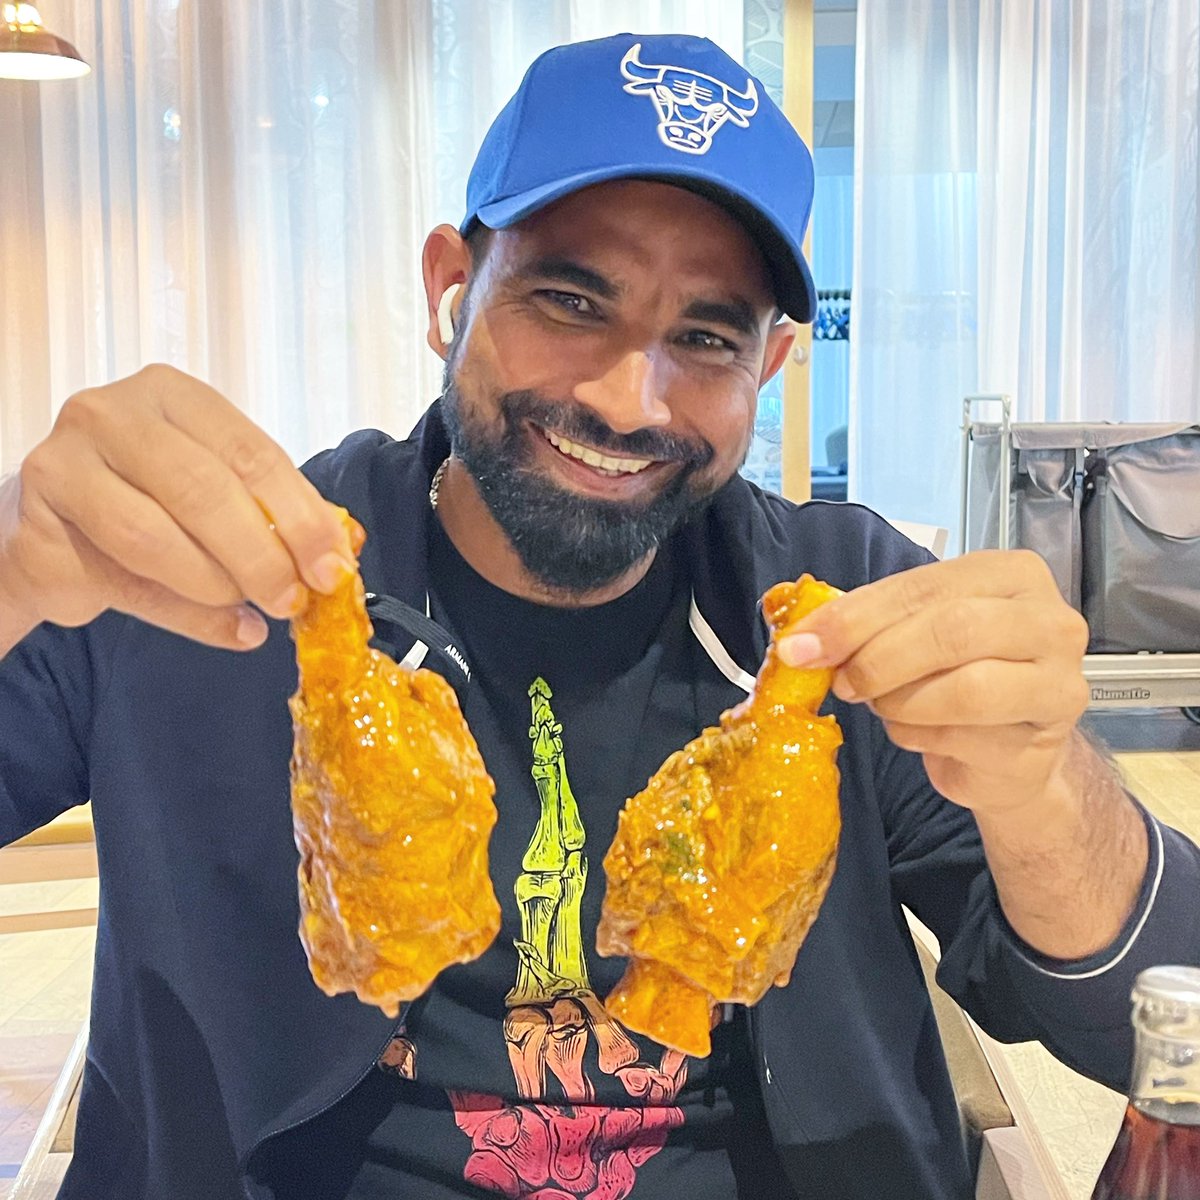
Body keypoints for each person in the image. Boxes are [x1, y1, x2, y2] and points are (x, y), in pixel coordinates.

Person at [0, 31, 1195, 1200]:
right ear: (450, 291)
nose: (631, 399)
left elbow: (1162, 1023)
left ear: (769, 366)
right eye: (571, 301)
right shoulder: (200, 578)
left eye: (706, 337)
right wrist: (9, 574)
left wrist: (1045, 784)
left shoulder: (846, 613)